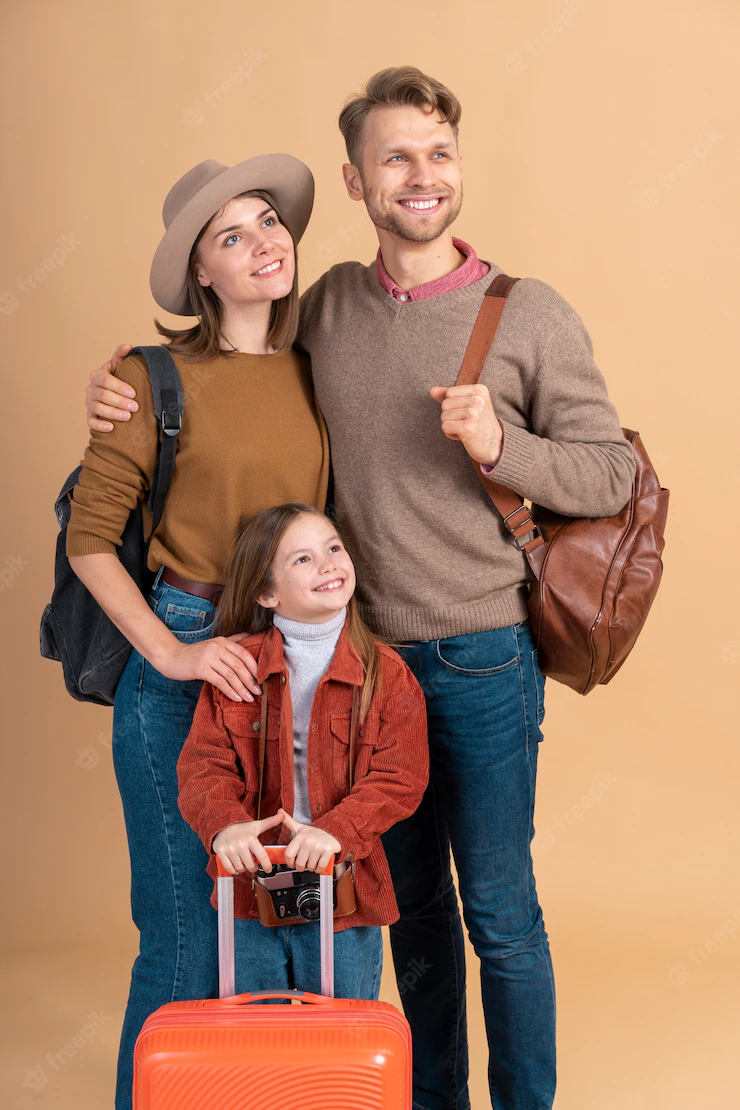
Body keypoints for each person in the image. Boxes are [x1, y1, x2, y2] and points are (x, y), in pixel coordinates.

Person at [83, 67, 635, 1110]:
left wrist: (501, 443)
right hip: (356, 667)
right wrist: (117, 385)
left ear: (457, 167)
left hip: (476, 657)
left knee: (502, 916)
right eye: (394, 156)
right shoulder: (326, 305)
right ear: (354, 180)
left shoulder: (529, 313)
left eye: (436, 152)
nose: (419, 176)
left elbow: (606, 473)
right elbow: (220, 381)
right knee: (403, 912)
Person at [66, 154, 331, 1110]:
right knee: (187, 938)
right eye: (233, 236)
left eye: (269, 220)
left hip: (293, 663)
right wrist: (172, 652)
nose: (264, 242)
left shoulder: (315, 367)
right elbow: (92, 538)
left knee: (277, 932)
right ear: (200, 278)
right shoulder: (150, 378)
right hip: (188, 657)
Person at [177, 502, 429, 1000]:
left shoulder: (388, 673)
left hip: (343, 892)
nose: (329, 563)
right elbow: (204, 765)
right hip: (252, 887)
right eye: (303, 559)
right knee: (260, 1034)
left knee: (342, 1035)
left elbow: (400, 776)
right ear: (266, 593)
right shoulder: (236, 669)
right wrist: (223, 824)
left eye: (333, 548)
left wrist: (335, 831)